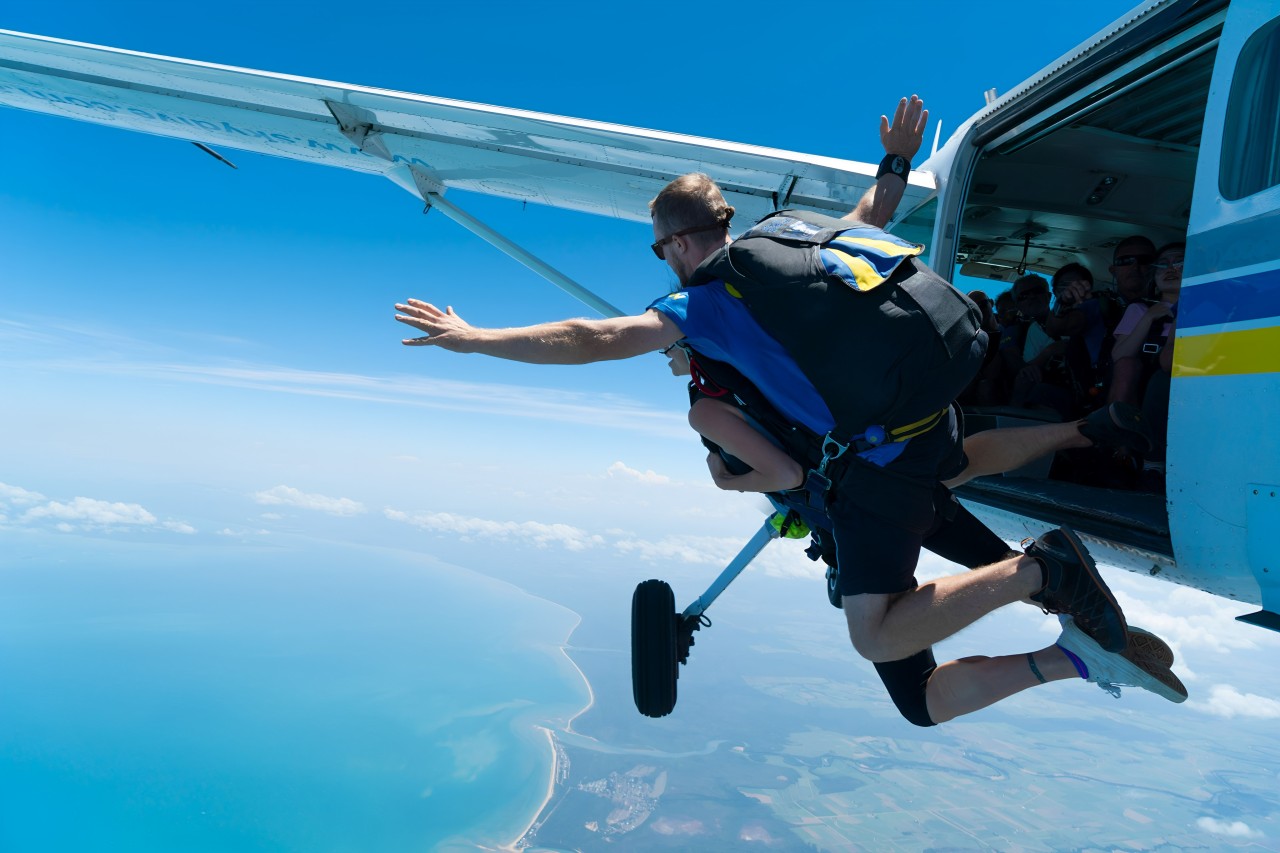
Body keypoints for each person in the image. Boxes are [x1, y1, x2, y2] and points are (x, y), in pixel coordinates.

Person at [395, 96, 1150, 726]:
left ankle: (1037, 572)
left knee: (877, 636)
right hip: (927, 422)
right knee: (963, 456)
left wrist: (474, 339)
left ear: (683, 241)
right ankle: (1086, 452)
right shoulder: (792, 240)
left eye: (661, 249)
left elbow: (595, 338)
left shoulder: (704, 304)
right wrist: (896, 159)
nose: (663, 262)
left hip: (877, 470)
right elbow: (872, 215)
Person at [665, 345, 1186, 716]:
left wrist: (725, 481)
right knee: (977, 519)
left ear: (687, 344)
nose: (666, 362)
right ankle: (1083, 434)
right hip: (904, 476)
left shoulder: (707, 406)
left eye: (668, 350)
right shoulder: (774, 359)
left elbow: (787, 475)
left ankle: (1072, 649)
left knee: (920, 697)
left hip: (863, 518)